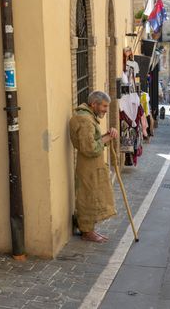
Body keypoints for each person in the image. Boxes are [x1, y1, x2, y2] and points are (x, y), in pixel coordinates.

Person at [69, 91, 118, 243]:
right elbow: (89, 148)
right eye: (104, 106)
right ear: (94, 104)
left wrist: (106, 136)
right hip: (88, 165)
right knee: (88, 196)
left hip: (91, 165)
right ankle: (87, 231)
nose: (105, 109)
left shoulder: (88, 117)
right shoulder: (85, 120)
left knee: (93, 195)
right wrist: (107, 138)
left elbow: (94, 140)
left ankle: (88, 228)